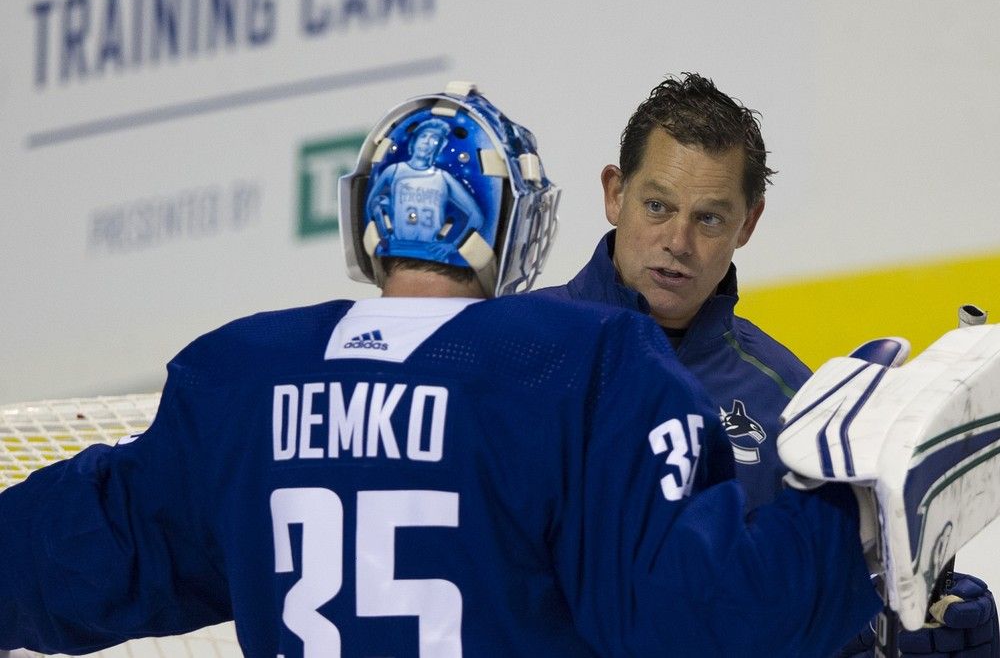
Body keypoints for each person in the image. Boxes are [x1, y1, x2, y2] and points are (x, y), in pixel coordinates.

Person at [0, 81, 887, 657]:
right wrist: (860, 533)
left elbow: (73, 553)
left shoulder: (241, 378)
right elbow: (695, 614)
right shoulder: (577, 365)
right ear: (514, 223)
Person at [536, 72, 999, 657]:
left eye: (709, 218)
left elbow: (810, 618)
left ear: (748, 224)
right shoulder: (511, 351)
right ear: (614, 194)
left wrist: (901, 639)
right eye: (657, 206)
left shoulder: (790, 403)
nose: (677, 240)